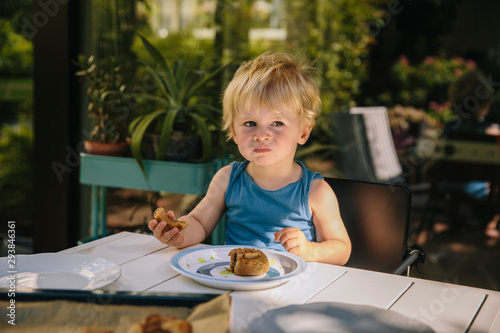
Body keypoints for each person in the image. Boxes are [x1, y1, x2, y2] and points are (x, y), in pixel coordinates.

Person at [148, 51, 351, 265]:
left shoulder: (315, 191)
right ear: (234, 132)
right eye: (250, 123)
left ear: (303, 133)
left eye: (277, 123)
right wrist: (179, 234)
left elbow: (341, 248)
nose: (261, 134)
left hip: (293, 289)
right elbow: (198, 221)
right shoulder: (228, 179)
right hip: (235, 279)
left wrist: (310, 251)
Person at [439, 70, 500, 238]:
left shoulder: (450, 128)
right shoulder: (492, 132)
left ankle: (454, 219)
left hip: (448, 182)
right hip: (483, 188)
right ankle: (492, 221)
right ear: (486, 102)